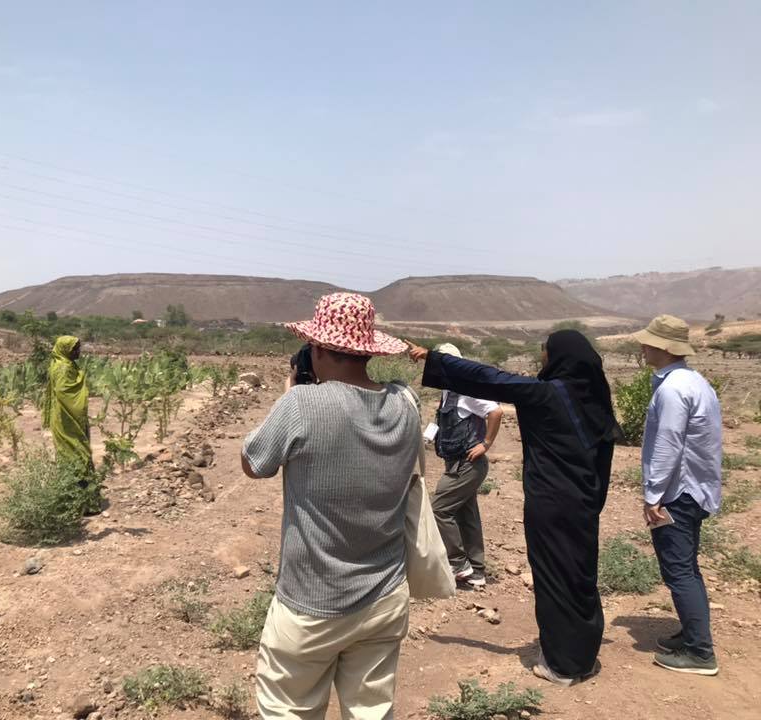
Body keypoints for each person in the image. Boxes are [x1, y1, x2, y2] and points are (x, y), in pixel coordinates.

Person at [241, 292, 420, 719]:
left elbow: (253, 463)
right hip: (384, 595)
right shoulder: (405, 403)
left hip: (311, 601)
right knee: (371, 712)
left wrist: (292, 391)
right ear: (368, 350)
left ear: (318, 349)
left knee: (288, 708)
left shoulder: (301, 404)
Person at [408, 330, 622, 686]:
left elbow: (490, 379)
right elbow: (604, 460)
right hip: (583, 503)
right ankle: (582, 653)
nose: (541, 358)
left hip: (551, 504)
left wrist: (434, 359)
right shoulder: (594, 399)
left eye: (545, 352)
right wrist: (592, 504)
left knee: (554, 577)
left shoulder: (547, 394)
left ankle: (563, 664)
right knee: (579, 575)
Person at [633, 315, 721, 676]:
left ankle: (700, 653)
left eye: (649, 342)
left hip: (677, 493)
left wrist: (653, 495)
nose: (642, 347)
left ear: (665, 348)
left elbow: (668, 445)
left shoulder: (671, 390)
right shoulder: (694, 382)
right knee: (688, 568)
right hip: (695, 489)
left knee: (679, 571)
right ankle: (691, 634)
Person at [430, 343, 503, 588]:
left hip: (467, 464)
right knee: (466, 514)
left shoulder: (467, 390)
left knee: (439, 509)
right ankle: (477, 572)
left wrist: (486, 443)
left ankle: (458, 563)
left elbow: (495, 411)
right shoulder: (448, 391)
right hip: (456, 463)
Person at [44, 335, 100, 512]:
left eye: (79, 348)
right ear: (66, 350)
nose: (79, 352)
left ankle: (78, 504)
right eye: (75, 349)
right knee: (77, 456)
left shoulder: (65, 365)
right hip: (66, 419)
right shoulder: (63, 368)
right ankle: (80, 504)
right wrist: (81, 383)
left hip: (68, 418)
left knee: (76, 454)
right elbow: (64, 392)